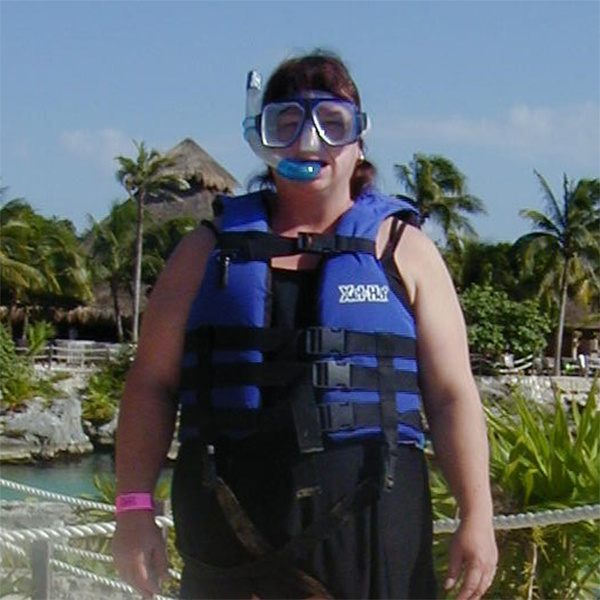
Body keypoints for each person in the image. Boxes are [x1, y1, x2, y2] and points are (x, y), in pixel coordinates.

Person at [112, 51, 497, 600]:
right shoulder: (204, 252)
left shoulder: (405, 252)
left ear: (359, 143)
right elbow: (151, 382)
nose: (308, 142)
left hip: (373, 530)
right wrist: (133, 510)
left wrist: (476, 515)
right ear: (262, 139)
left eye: (332, 124)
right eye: (286, 123)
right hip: (229, 525)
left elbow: (453, 394)